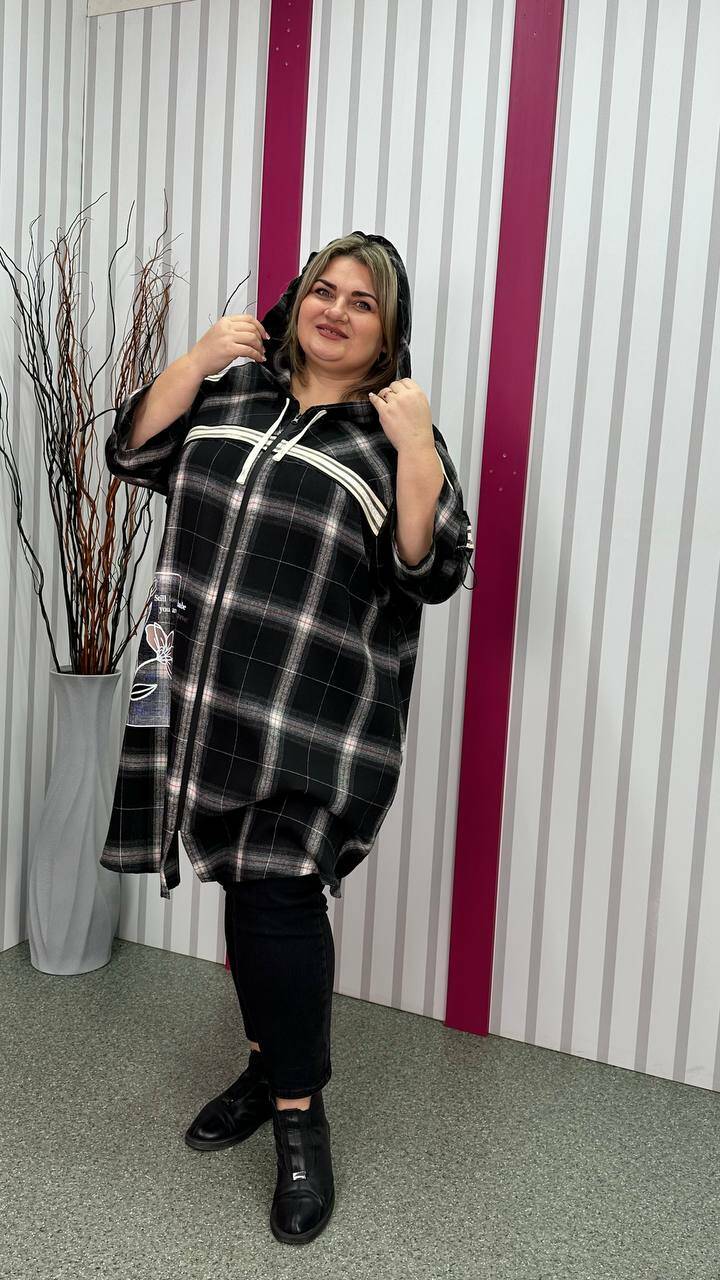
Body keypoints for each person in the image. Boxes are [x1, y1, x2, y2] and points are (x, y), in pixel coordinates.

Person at [100, 231, 474, 1245]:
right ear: (296, 300)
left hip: (311, 714)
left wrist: (415, 446)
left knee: (277, 896)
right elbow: (133, 452)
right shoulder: (230, 394)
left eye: (363, 301)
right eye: (324, 290)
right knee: (245, 885)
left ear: (387, 333)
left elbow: (431, 569)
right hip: (201, 697)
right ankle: (268, 1069)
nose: (336, 311)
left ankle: (301, 1119)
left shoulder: (393, 437)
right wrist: (194, 359)